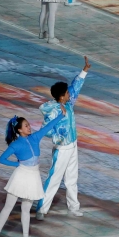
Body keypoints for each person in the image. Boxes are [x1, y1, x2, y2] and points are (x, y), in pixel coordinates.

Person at [0, 112, 65, 237]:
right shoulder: (15, 144)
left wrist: (61, 115)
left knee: (26, 209)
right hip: (20, 175)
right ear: (19, 130)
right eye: (26, 126)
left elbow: (48, 127)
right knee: (8, 207)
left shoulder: (35, 137)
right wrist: (17, 165)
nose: (29, 127)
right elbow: (1, 159)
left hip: (33, 176)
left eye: (29, 125)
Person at [36, 57, 90, 221]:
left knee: (72, 179)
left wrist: (84, 70)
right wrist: (59, 135)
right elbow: (45, 131)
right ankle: (41, 209)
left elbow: (76, 87)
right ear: (61, 97)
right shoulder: (53, 111)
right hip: (61, 149)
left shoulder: (68, 104)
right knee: (54, 179)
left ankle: (73, 207)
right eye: (66, 93)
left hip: (72, 146)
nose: (69, 94)